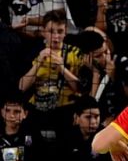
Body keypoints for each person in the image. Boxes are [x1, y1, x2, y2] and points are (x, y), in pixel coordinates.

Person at [18, 9, 82, 141]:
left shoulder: (75, 53)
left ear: (66, 32)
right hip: (37, 110)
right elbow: (21, 87)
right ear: (43, 32)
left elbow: (80, 88)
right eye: (51, 32)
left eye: (60, 32)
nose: (56, 37)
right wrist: (39, 63)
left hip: (65, 111)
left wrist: (62, 69)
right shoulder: (34, 52)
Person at [1, 91, 44, 161]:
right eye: (7, 110)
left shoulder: (32, 136)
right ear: (2, 112)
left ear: (25, 114)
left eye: (17, 112)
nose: (11, 115)